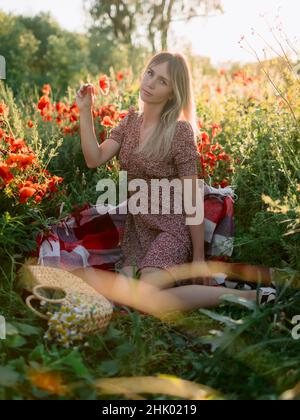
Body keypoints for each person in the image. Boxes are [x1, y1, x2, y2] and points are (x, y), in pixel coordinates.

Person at [75, 51, 276, 313]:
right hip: (140, 228)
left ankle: (255, 299)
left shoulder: (179, 131)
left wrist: (198, 259)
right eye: (150, 73)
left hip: (172, 227)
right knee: (127, 295)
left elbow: (192, 198)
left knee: (145, 294)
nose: (150, 83)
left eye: (162, 81)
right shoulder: (129, 123)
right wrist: (85, 111)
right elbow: (94, 158)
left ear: (173, 92)